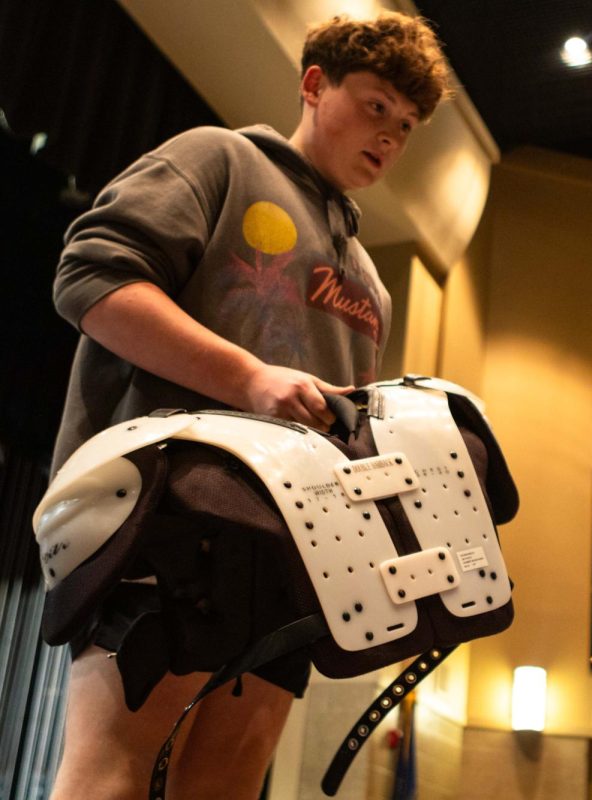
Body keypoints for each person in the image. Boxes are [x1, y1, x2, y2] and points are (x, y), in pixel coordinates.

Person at [46, 12, 449, 799]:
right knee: (110, 782)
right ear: (313, 85)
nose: (390, 138)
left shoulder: (373, 281)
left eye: (405, 127)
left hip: (300, 558)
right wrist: (249, 378)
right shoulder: (218, 157)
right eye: (375, 108)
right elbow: (90, 281)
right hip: (160, 522)